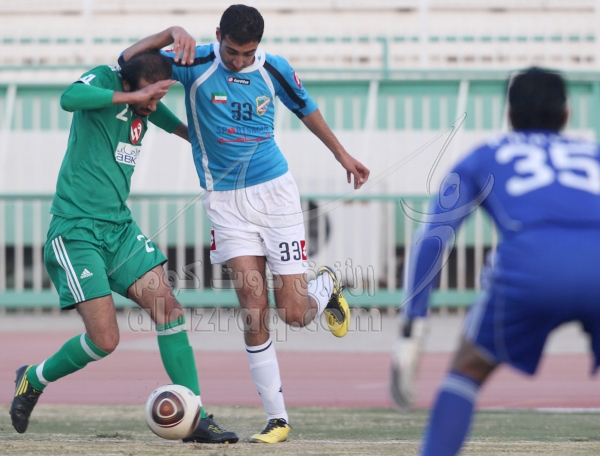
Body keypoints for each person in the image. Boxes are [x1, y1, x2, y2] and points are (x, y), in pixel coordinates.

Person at [121, 4, 370, 443]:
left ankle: (326, 285)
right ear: (218, 35)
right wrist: (169, 32)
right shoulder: (193, 60)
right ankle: (278, 419)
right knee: (253, 309)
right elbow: (128, 62)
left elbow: (306, 109)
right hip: (225, 203)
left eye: (247, 54)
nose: (238, 61)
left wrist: (342, 154)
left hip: (276, 195)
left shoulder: (274, 69)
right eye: (232, 52)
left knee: (293, 313)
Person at [10, 50, 238, 444]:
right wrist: (133, 97)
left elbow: (160, 115)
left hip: (119, 229)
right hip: (76, 232)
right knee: (105, 340)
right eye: (148, 96)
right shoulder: (104, 82)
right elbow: (68, 98)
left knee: (168, 308)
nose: (152, 105)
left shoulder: (143, 106)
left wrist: (193, 137)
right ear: (128, 85)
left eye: (158, 98)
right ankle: (34, 377)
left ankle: (197, 416)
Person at [391, 66, 600, 455]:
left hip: (533, 270)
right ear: (566, 113)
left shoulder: (484, 156)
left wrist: (413, 325)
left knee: (468, 366)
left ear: (509, 114)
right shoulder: (593, 153)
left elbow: (434, 237)